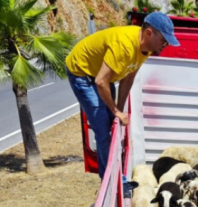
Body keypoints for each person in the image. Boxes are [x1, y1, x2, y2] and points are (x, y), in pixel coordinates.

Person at [65, 12, 179, 182]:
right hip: (82, 73)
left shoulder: (146, 48)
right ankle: (113, 180)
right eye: (164, 39)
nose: (166, 44)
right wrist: (115, 110)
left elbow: (129, 77)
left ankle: (115, 174)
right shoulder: (125, 45)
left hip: (101, 74)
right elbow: (101, 82)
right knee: (103, 128)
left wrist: (118, 109)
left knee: (112, 120)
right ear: (149, 32)